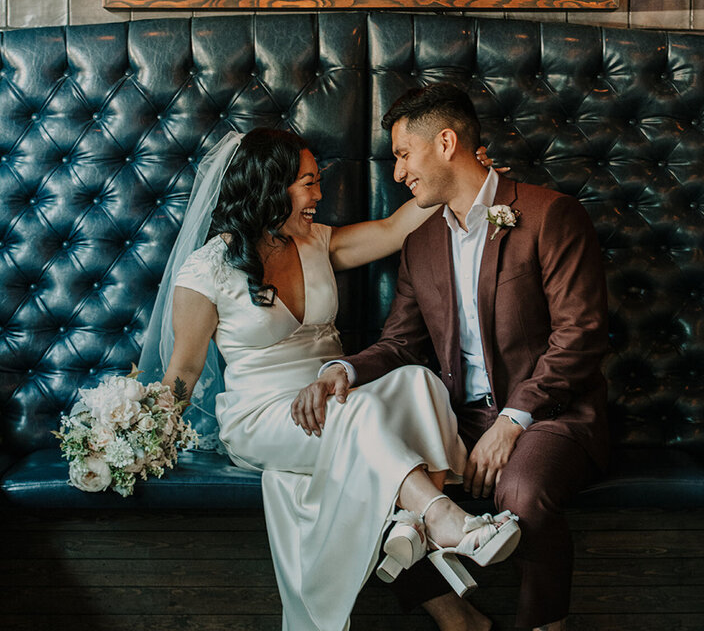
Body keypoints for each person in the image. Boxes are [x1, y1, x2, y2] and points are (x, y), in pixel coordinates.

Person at [138, 127, 520, 631]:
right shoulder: (205, 270)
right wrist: (137, 440)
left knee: (418, 382)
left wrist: (460, 177)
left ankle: (413, 533)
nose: (319, 196)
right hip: (264, 416)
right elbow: (182, 372)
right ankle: (439, 516)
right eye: (307, 183)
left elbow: (392, 229)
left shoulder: (318, 241)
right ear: (268, 187)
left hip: (335, 394)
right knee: (358, 411)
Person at [292, 84, 609, 631]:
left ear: (445, 142)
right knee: (371, 478)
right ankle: (460, 621)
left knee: (522, 492)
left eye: (402, 154)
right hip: (457, 418)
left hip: (554, 414)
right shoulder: (420, 243)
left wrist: (514, 419)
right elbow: (400, 343)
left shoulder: (549, 214)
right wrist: (340, 371)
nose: (397, 173)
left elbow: (579, 336)